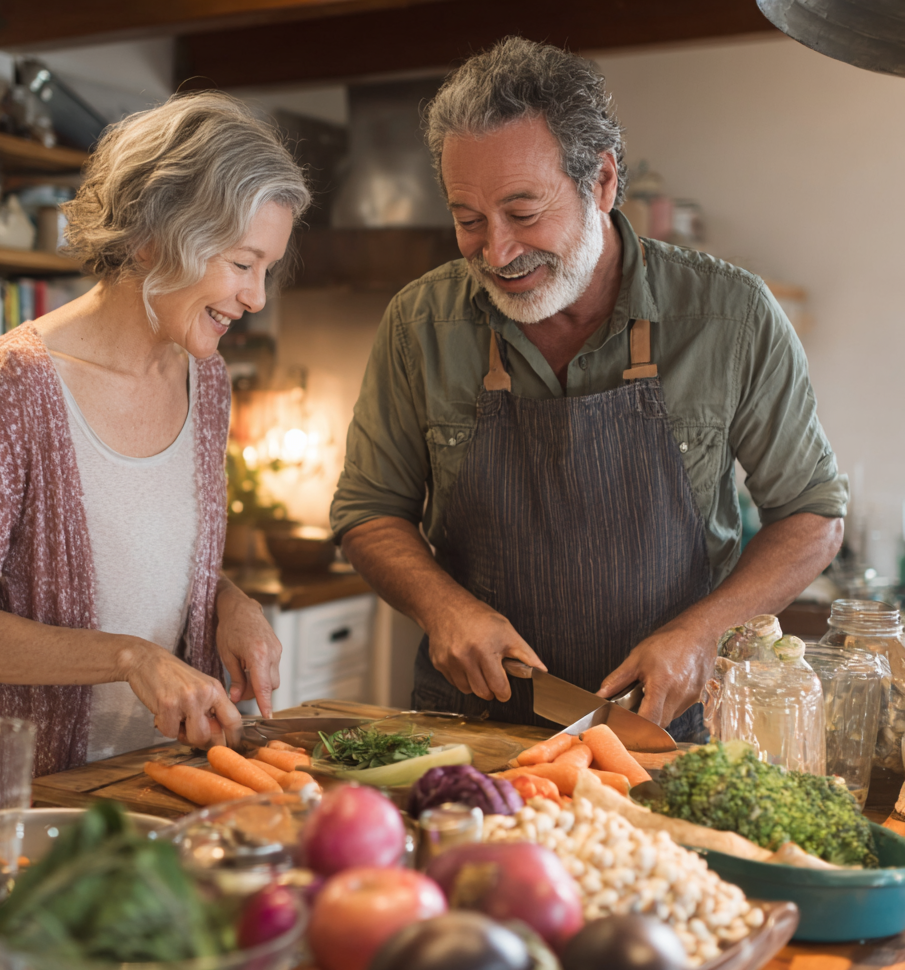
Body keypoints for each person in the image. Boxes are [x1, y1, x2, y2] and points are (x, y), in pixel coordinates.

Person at [330, 37, 846, 736]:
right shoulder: (420, 322)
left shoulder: (729, 315)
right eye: (467, 219)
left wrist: (704, 633)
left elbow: (812, 514)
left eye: (523, 211)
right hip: (472, 735)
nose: (498, 251)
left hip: (671, 731)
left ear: (601, 182)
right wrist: (441, 608)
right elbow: (368, 510)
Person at [0, 92, 311, 824]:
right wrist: (129, 657)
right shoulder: (16, 384)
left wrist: (227, 601)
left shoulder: (204, 378)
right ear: (156, 236)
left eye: (267, 270)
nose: (256, 297)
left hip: (152, 804)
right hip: (18, 822)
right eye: (243, 263)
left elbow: (147, 554)